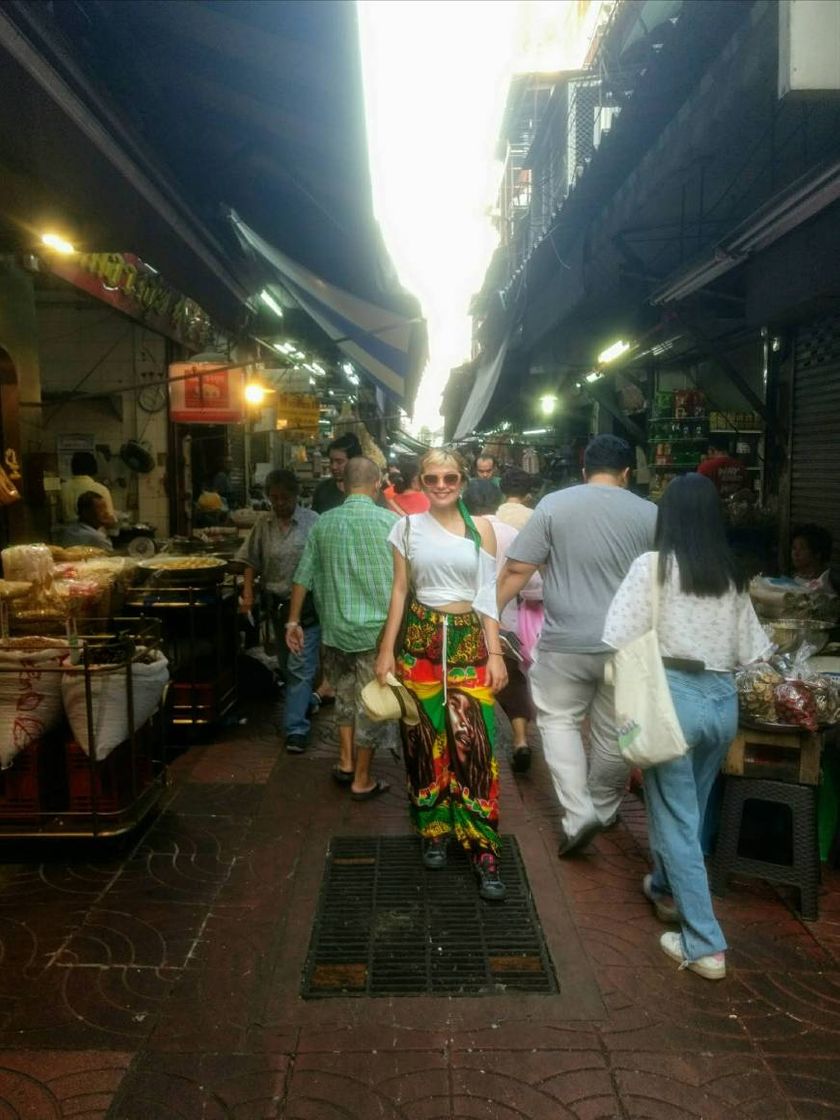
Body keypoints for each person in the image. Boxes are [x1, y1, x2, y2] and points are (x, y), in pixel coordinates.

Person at [603, 473, 770, 980]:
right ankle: (665, 888)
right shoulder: (730, 573)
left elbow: (617, 634)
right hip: (722, 703)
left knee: (676, 818)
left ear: (667, 516)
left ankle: (705, 944)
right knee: (690, 813)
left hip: (671, 697)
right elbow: (751, 652)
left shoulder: (652, 568)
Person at [497, 434, 657, 855]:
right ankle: (603, 809)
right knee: (614, 732)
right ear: (626, 474)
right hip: (627, 645)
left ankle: (577, 813)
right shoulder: (651, 514)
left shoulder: (554, 504)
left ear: (585, 471)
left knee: (559, 723)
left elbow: (517, 568)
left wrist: (484, 610)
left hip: (565, 641)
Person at [375, 448, 509, 901]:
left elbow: (487, 593)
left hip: (470, 644)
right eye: (432, 478)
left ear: (463, 480)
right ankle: (433, 830)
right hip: (419, 647)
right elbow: (399, 591)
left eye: (450, 477)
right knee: (423, 743)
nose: (441, 485)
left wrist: (495, 652)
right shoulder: (406, 527)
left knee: (474, 745)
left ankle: (482, 847)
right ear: (422, 481)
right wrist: (386, 651)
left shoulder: (481, 530)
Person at [287, 457, 397, 798]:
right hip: (376, 635)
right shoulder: (392, 523)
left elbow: (302, 575)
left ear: (342, 485)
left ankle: (346, 761)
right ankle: (362, 779)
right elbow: (407, 582)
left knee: (345, 697)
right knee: (372, 705)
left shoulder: (323, 524)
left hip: (334, 631)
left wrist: (293, 620)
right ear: (377, 485)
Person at [237, 469, 319, 753]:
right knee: (286, 666)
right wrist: (247, 592)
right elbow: (251, 560)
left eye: (285, 497)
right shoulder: (264, 524)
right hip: (276, 607)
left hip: (307, 607)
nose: (279, 503)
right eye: (274, 498)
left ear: (296, 496)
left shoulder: (312, 522)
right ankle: (307, 701)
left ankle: (296, 729)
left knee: (298, 667)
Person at [463, 479, 540, 773]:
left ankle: (472, 744)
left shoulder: (459, 530)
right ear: (497, 502)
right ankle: (520, 740)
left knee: (468, 683)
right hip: (504, 623)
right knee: (513, 682)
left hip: (463, 622)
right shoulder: (513, 534)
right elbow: (532, 583)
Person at [311, 434, 363, 513]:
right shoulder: (322, 490)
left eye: (339, 462)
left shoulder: (369, 491)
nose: (333, 467)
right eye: (331, 461)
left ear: (354, 461)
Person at [60, 451, 115, 525]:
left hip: (68, 534)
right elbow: (110, 520)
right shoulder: (101, 490)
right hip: (93, 534)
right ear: (93, 467)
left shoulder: (62, 488)